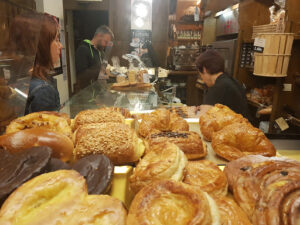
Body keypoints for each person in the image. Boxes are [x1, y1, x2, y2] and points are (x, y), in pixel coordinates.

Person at [25, 13, 63, 114]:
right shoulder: (43, 90)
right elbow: (48, 129)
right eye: (56, 39)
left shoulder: (28, 78)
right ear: (43, 45)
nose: (61, 46)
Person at [196, 50, 251, 119]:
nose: (202, 79)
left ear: (204, 70)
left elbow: (203, 118)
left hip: (236, 128)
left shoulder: (217, 88)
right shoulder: (230, 80)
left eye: (200, 75)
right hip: (244, 125)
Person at [75, 25, 114, 91]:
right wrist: (101, 69)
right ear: (99, 35)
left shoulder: (101, 53)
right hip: (88, 96)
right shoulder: (83, 49)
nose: (106, 45)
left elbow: (101, 75)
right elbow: (81, 75)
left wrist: (113, 74)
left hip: (100, 94)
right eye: (106, 42)